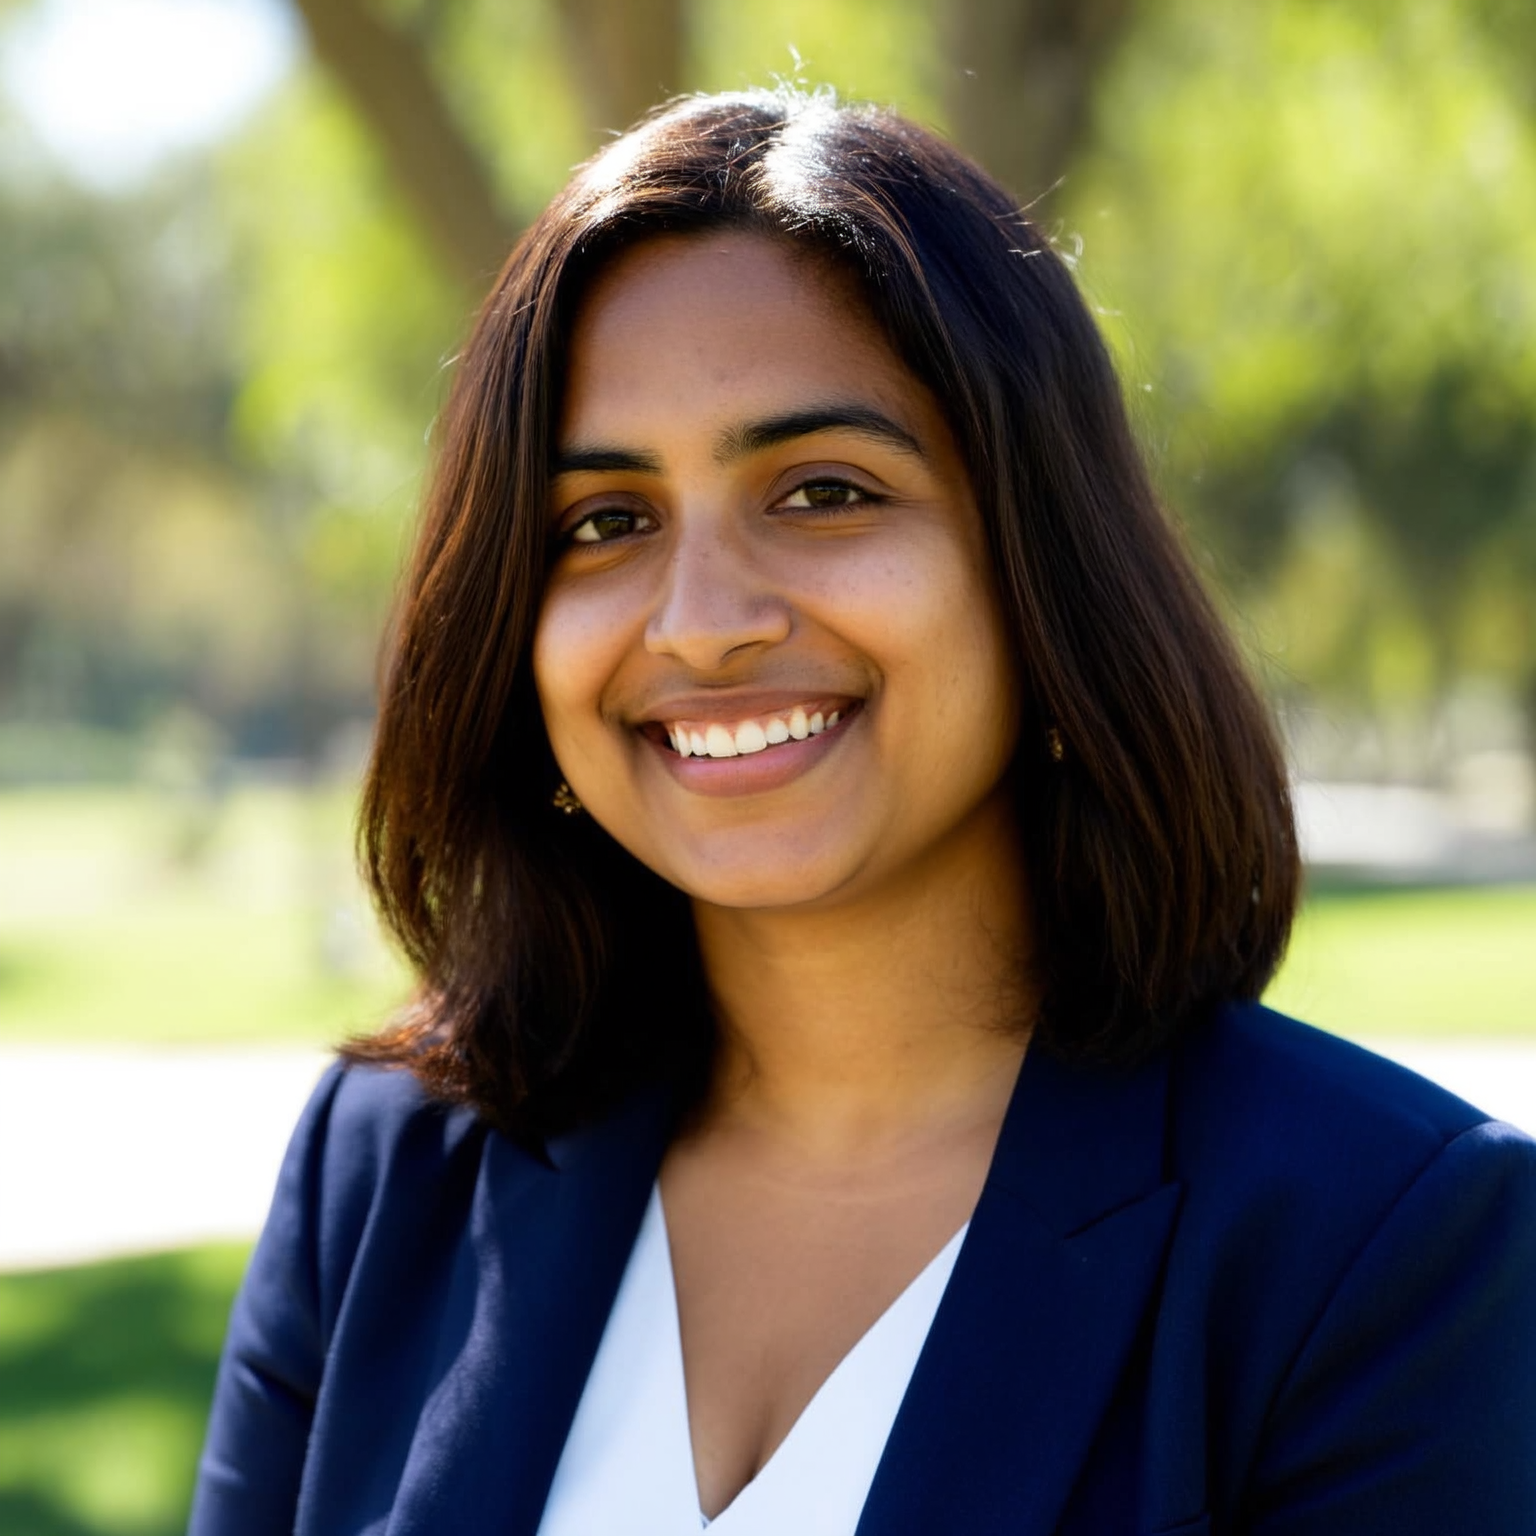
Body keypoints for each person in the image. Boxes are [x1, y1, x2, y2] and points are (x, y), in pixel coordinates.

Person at [189, 90, 1536, 1535]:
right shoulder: (383, 1175)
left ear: (1041, 563)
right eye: (604, 524)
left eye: (823, 491)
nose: (700, 626)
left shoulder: (1387, 1247)